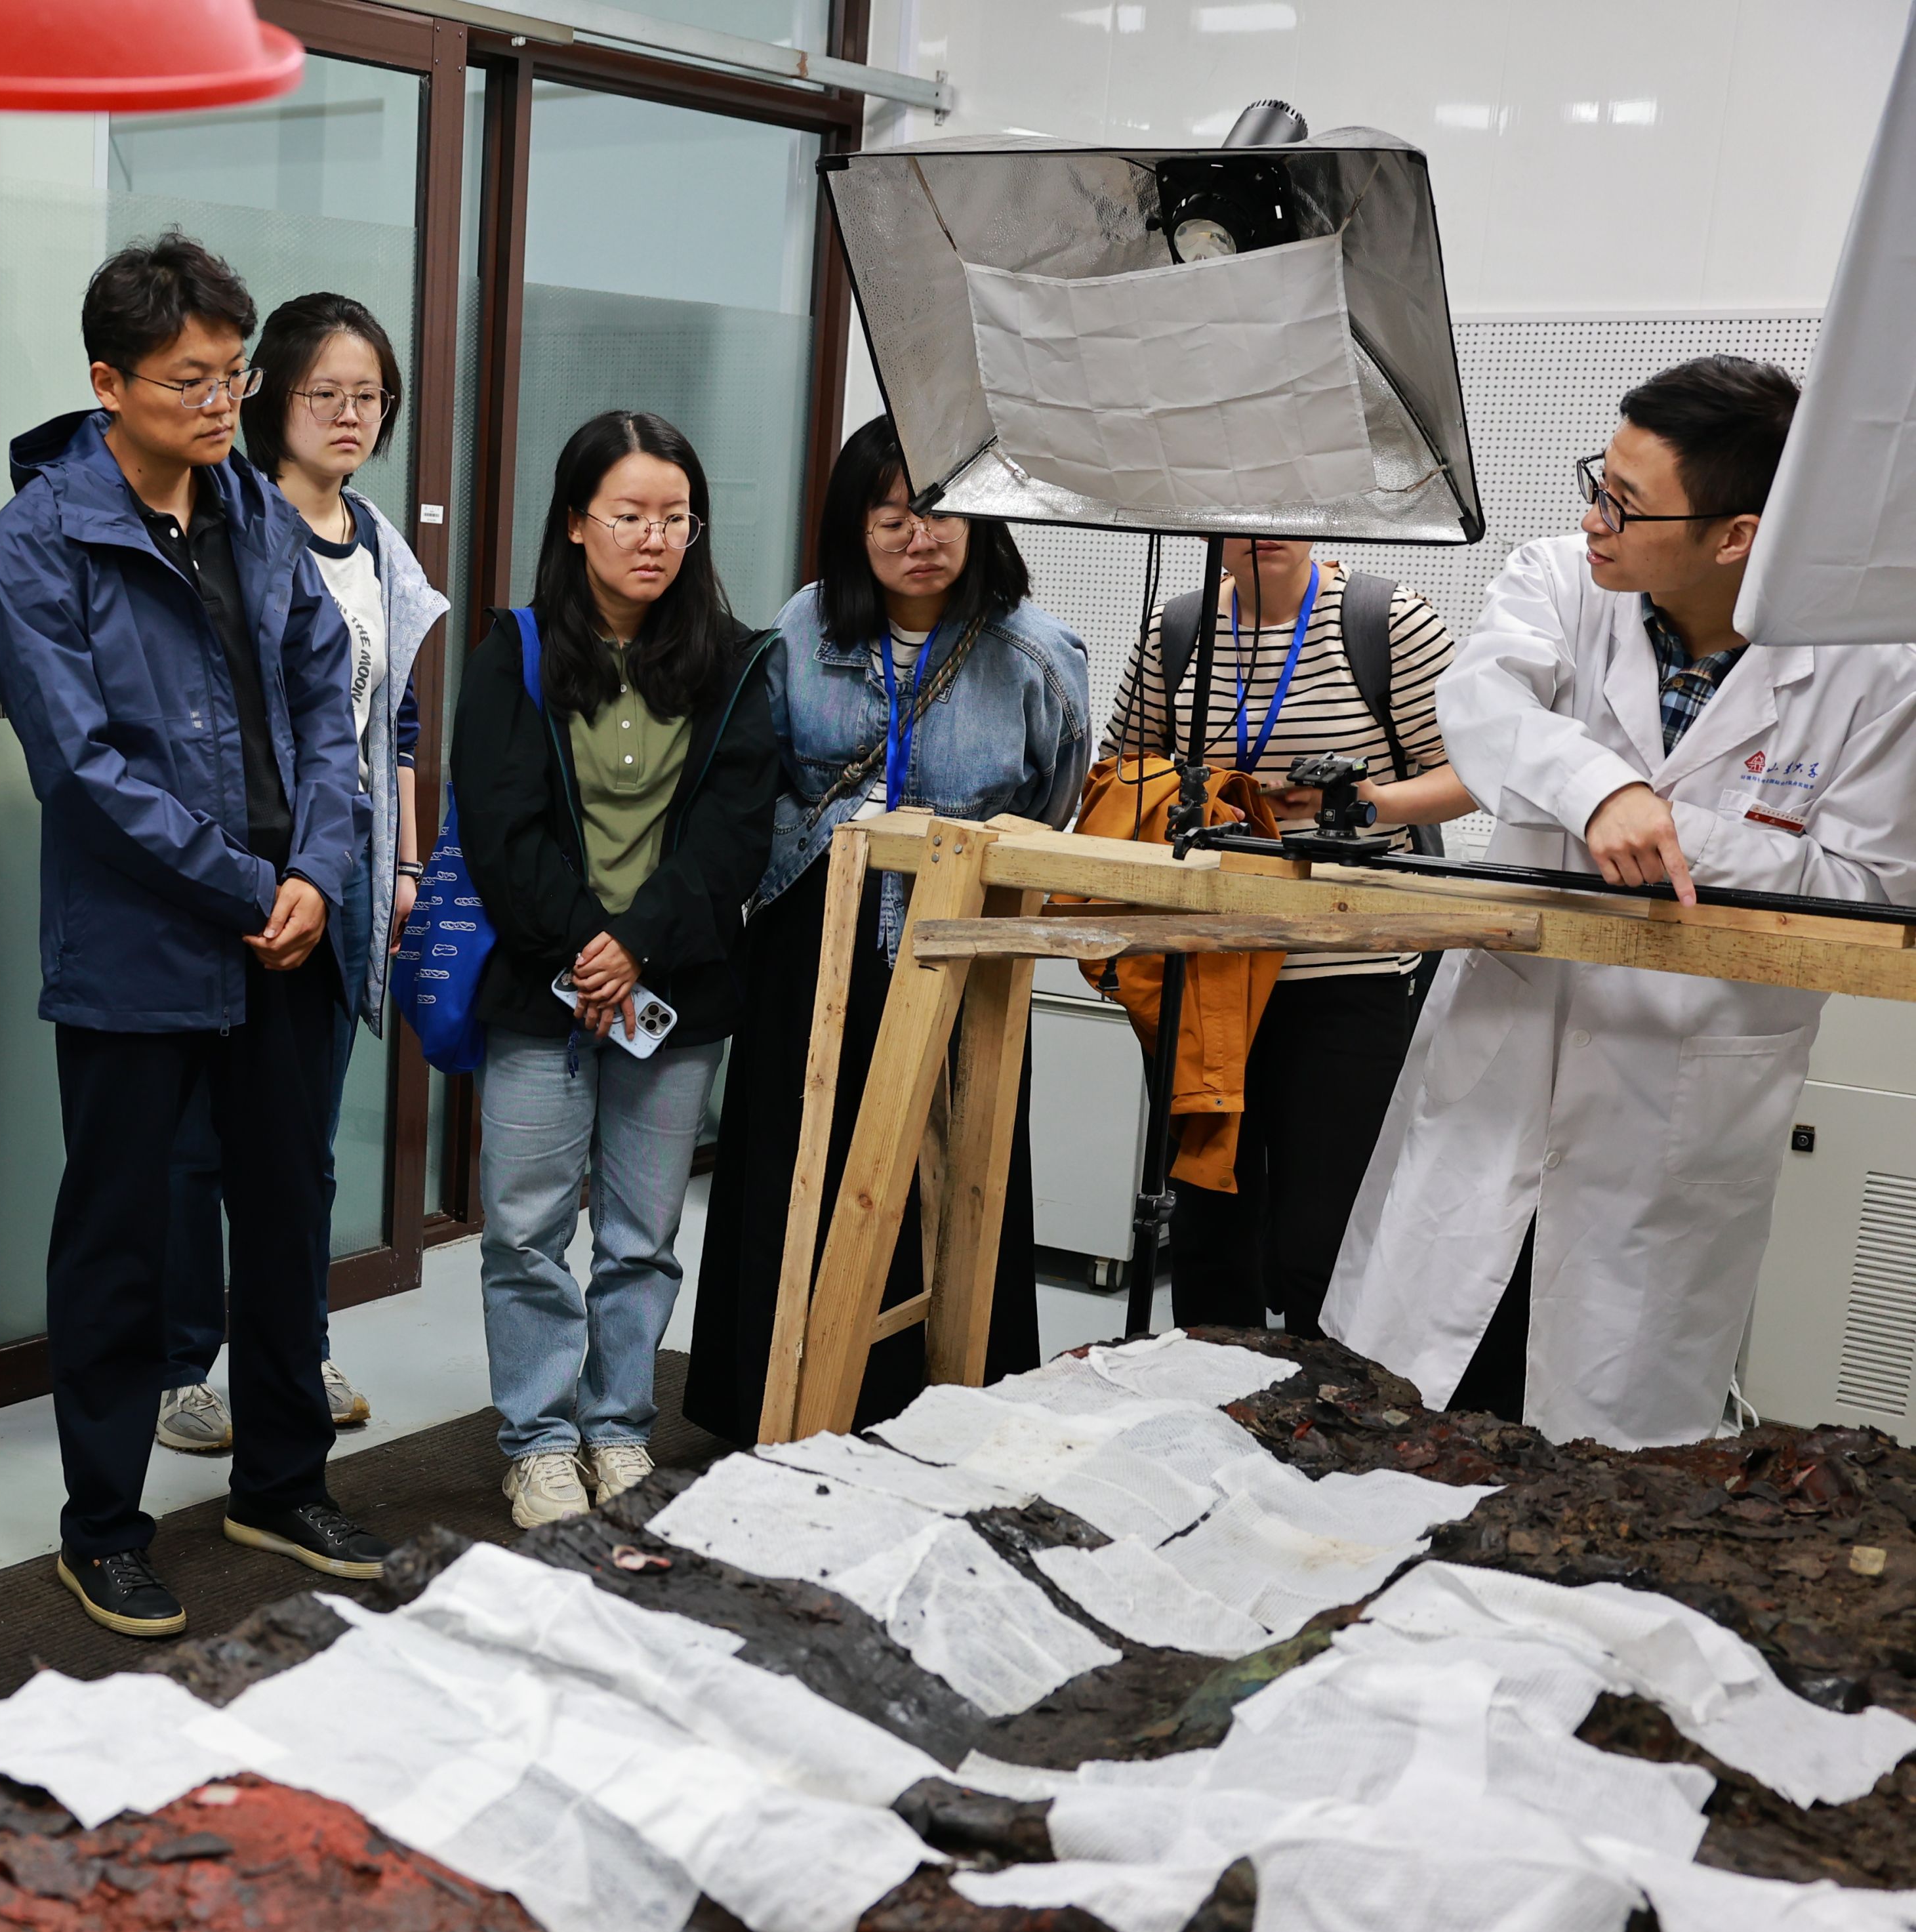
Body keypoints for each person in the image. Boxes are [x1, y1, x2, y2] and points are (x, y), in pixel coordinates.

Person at [1330, 356, 1916, 1448]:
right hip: (1501, 1072)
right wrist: (1600, 787)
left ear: (1737, 536)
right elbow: (1482, 704)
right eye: (1597, 481)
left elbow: (1867, 895)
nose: (1593, 519)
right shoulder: (1559, 580)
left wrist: (1679, 832)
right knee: (1407, 1425)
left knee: (1600, 1478)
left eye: (1626, 504)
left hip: (1676, 1120)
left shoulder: (1877, 670)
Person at [0, 230, 387, 1639]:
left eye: (233, 376)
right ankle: (102, 1527)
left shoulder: (256, 512)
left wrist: (318, 871)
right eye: (188, 380)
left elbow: (329, 706)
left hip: (290, 933)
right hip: (142, 947)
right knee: (122, 1245)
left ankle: (282, 1482)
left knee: (283, 1222)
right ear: (109, 383)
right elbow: (81, 767)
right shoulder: (42, 538)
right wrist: (243, 887)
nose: (221, 404)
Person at [683, 414, 1089, 1445]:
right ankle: (770, 1401)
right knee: (795, 1160)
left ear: (983, 521)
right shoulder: (806, 627)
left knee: (954, 1165)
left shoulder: (1037, 651)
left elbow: (1052, 799)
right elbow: (767, 771)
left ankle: (940, 1410)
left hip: (961, 930)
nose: (922, 536)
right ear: (854, 526)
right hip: (811, 924)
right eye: (894, 515)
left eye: (944, 513)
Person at [457, 410, 780, 1525]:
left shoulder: (737, 662)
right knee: (528, 1230)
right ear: (575, 523)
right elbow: (500, 828)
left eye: (675, 518)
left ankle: (618, 1426)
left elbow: (733, 834)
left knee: (644, 1236)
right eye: (629, 515)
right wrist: (590, 950)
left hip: (675, 988)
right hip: (541, 987)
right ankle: (540, 1439)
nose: (654, 538)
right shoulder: (516, 651)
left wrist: (638, 942)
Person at [147, 293, 445, 1463]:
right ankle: (182, 1367)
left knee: (304, 1143)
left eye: (370, 396)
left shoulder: (380, 546)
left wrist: (405, 864)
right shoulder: (233, 523)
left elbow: (395, 726)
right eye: (326, 392)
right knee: (195, 1139)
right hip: (232, 868)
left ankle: (295, 1344)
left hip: (344, 870)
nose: (350, 415)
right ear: (270, 395)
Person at [1100, 535, 1475, 1339]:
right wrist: (1198, 796)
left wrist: (1366, 802)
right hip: (1208, 970)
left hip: (1344, 969)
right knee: (1208, 1230)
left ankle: (1327, 1403)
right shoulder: (1177, 630)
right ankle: (1207, 1398)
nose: (1262, 527)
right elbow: (1120, 773)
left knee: (1323, 1235)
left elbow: (1473, 771)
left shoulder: (1382, 621)